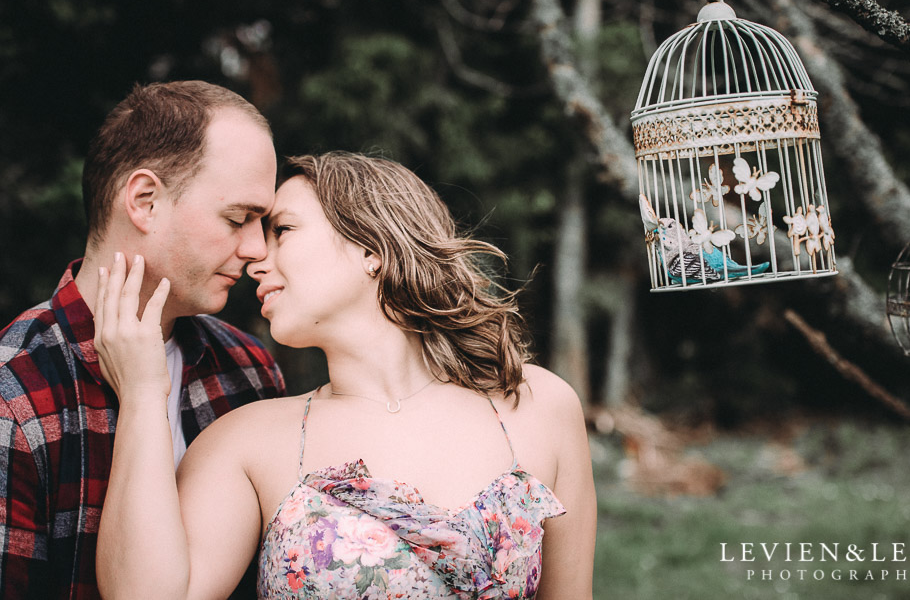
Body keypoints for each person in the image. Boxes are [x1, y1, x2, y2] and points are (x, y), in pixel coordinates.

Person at [94, 151, 597, 599]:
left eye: (283, 230)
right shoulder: (245, 441)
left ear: (372, 248)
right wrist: (141, 396)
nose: (254, 260)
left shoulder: (539, 406)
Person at [0, 81, 286, 599]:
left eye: (263, 222)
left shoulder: (249, 367)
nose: (257, 249)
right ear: (144, 201)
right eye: (239, 218)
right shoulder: (13, 395)